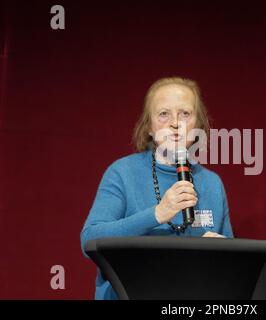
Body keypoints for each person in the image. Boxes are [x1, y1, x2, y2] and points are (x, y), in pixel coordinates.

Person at [80, 77, 234, 300]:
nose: (175, 123)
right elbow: (89, 241)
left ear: (198, 126)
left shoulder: (212, 183)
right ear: (149, 127)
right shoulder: (122, 173)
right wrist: (156, 214)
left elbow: (233, 262)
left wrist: (223, 251)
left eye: (185, 114)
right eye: (164, 114)